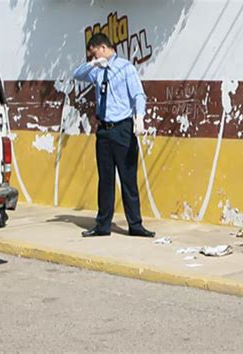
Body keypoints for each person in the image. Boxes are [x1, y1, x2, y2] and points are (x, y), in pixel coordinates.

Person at [73, 33, 156, 238]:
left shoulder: (126, 68)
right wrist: (93, 65)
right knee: (106, 179)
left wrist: (140, 117)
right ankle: (103, 225)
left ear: (102, 47)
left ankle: (135, 225)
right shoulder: (97, 70)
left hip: (122, 128)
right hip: (103, 130)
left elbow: (138, 95)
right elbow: (77, 74)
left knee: (128, 178)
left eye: (94, 53)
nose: (93, 57)